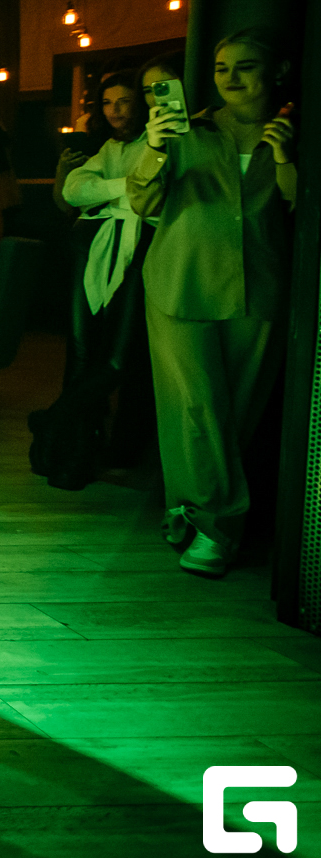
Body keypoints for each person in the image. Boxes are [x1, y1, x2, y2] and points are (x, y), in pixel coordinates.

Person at [127, 29, 296, 578]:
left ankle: (188, 509)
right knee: (194, 407)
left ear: (277, 72)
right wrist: (155, 147)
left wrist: (285, 157)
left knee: (236, 415)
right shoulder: (191, 130)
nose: (231, 78)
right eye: (222, 68)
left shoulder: (293, 133)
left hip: (258, 287)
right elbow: (141, 199)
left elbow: (299, 206)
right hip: (181, 281)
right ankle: (218, 530)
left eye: (245, 67)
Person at [29, 71, 157, 489]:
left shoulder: (158, 143)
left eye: (124, 101)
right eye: (107, 102)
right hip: (90, 249)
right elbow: (73, 193)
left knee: (118, 361)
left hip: (139, 252)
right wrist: (127, 187)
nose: (115, 110)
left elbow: (151, 198)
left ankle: (51, 422)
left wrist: (105, 190)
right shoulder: (105, 146)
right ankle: (73, 455)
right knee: (82, 355)